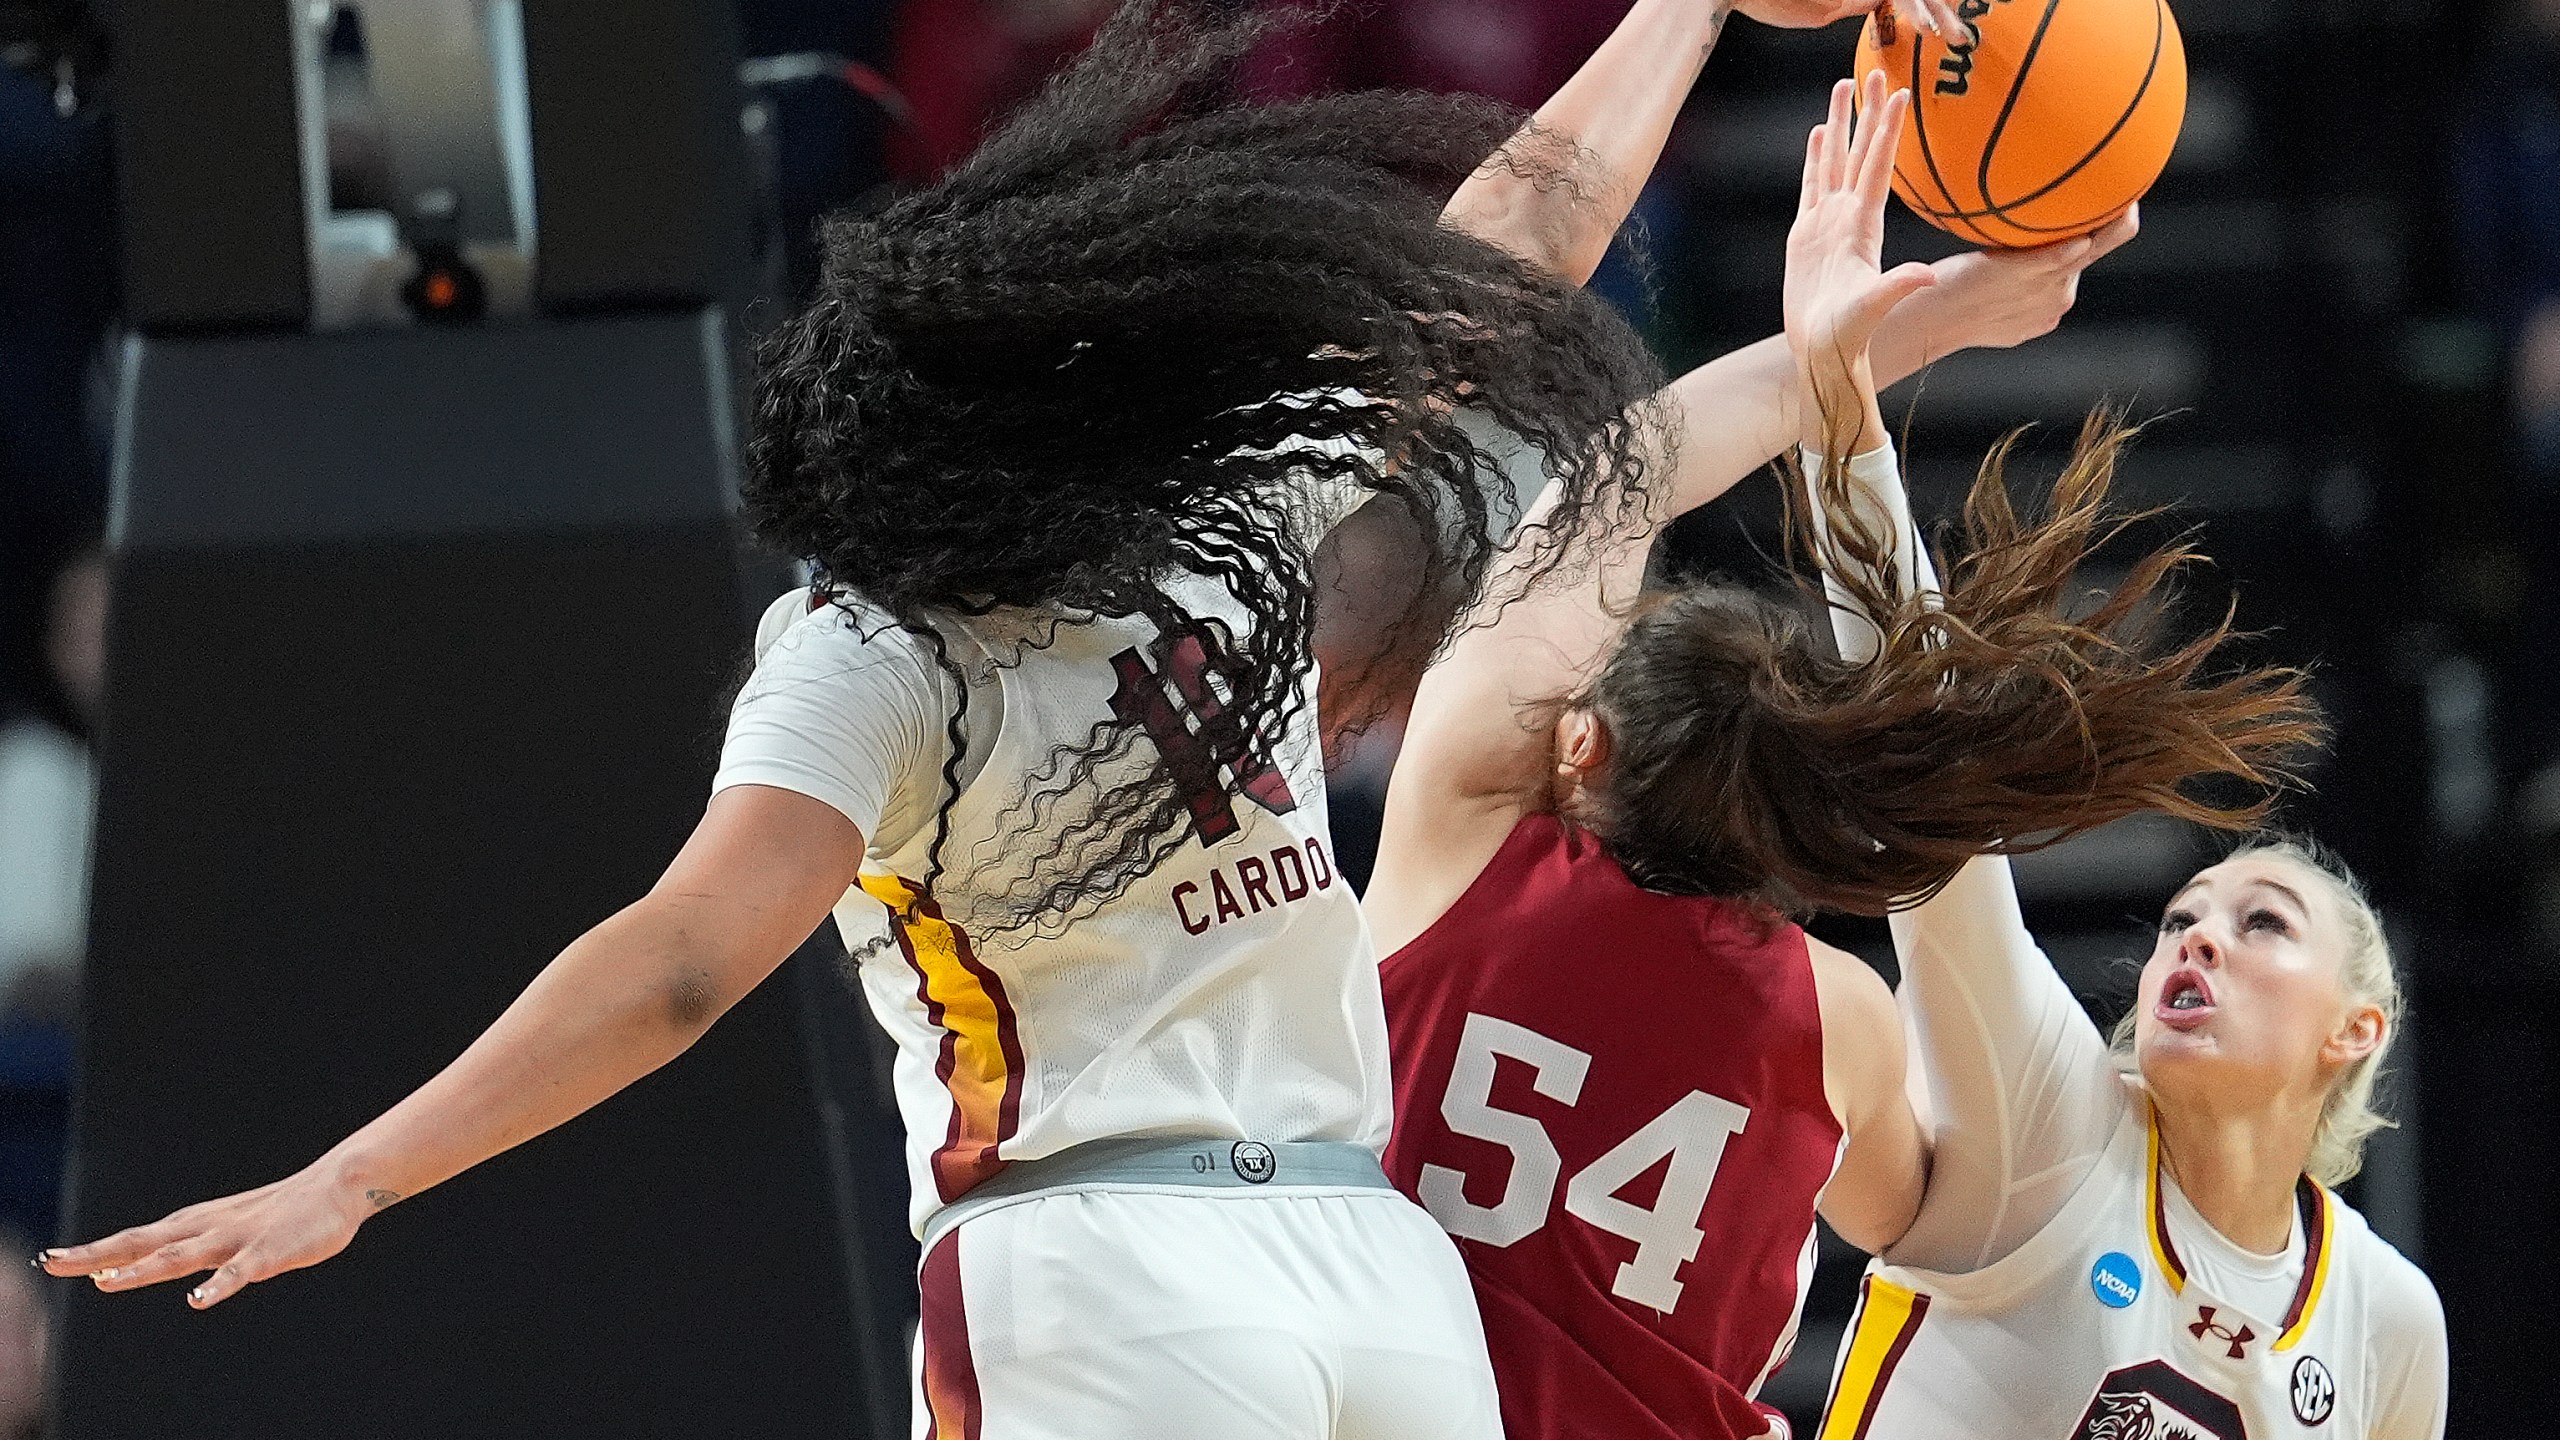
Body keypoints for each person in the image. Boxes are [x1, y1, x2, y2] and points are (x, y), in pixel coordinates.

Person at [28, 3, 1860, 1437]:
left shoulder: (872, 643)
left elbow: (677, 967)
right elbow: (1501, 250)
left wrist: (356, 1176)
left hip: (1105, 1267)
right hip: (1372, 1274)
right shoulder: (1218, 512)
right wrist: (1687, 10)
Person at [1364, 73, 2314, 1440]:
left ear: (1580, 746)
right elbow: (1947, 1220)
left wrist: (1892, 340)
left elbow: (1615, 474)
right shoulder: (1836, 1027)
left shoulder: (1468, 838)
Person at [1809, 179, 2451, 1440]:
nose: (2192, 939)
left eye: (2261, 924)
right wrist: (1838, 415)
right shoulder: (2055, 1126)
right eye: (2180, 918)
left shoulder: (2388, 1321)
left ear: (2353, 1030)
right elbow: (1931, 775)